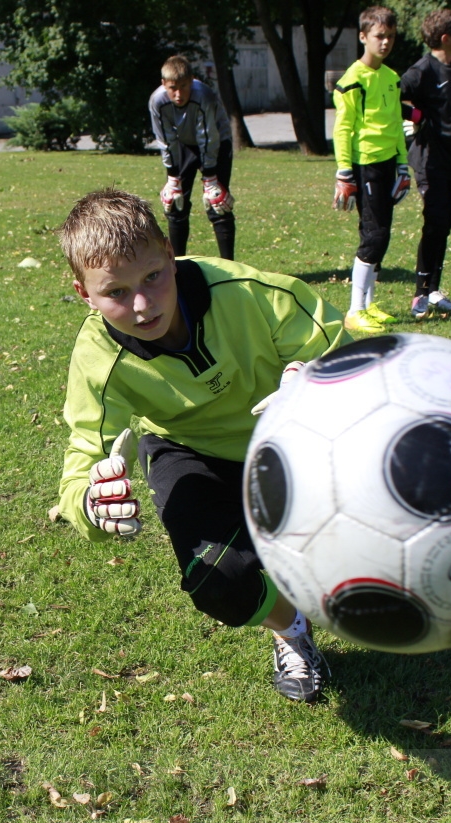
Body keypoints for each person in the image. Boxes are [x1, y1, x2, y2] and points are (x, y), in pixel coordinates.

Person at [56, 188, 350, 703]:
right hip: (189, 451)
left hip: (291, 439)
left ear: (171, 254)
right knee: (215, 580)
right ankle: (292, 630)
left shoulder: (247, 291)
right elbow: (84, 457)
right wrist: (90, 503)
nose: (142, 305)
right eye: (116, 293)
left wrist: (317, 379)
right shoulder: (99, 358)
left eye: (152, 277)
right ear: (84, 294)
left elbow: (335, 346)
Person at [332, 5, 413, 335]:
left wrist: (403, 166)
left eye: (391, 37)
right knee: (374, 235)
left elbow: (397, 125)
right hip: (364, 167)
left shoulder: (392, 78)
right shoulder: (352, 81)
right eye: (380, 36)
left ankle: (369, 304)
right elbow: (342, 129)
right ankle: (354, 310)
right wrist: (343, 172)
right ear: (363, 37)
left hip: (388, 166)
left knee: (383, 236)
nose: (386, 43)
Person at [400, 10, 451, 320]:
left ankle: (434, 289)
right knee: (435, 222)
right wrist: (416, 118)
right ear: (446, 38)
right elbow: (392, 98)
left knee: (445, 224)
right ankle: (420, 294)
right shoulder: (421, 70)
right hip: (430, 162)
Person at [149, 55, 236, 261]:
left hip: (217, 143)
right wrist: (172, 176)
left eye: (184, 86)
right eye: (173, 88)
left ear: (192, 80)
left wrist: (210, 176)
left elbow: (208, 136)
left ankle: (229, 267)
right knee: (175, 202)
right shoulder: (157, 101)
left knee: (218, 202)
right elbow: (165, 138)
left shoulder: (203, 95)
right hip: (182, 144)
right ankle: (176, 267)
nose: (179, 94)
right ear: (164, 84)